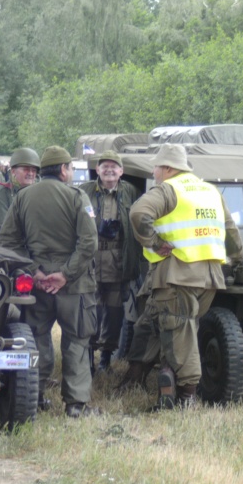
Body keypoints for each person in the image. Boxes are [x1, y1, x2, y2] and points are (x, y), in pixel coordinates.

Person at [129, 144, 243, 409]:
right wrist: (239, 256)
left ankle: (186, 398)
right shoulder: (209, 190)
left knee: (181, 335)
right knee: (182, 331)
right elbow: (230, 228)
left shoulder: (168, 189)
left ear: (168, 168)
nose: (154, 171)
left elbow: (138, 214)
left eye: (156, 167)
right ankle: (159, 383)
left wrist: (155, 241)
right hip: (209, 277)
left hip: (178, 275)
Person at [0, 146, 99, 418]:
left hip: (37, 286)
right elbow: (89, 242)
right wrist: (66, 274)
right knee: (77, 341)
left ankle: (36, 395)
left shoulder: (22, 198)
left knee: (37, 338)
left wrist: (35, 271)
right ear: (64, 169)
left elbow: (7, 242)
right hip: (75, 286)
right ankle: (76, 405)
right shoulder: (78, 197)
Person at [79, 150, 141, 373]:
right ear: (97, 170)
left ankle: (106, 356)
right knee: (90, 311)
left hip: (118, 263)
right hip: (91, 262)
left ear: (121, 171)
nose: (109, 169)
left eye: (114, 166)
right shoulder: (84, 191)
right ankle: (88, 357)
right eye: (104, 166)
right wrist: (97, 229)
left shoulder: (131, 192)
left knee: (114, 315)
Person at [0, 148, 40, 235]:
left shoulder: (39, 191)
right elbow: (2, 233)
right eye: (26, 169)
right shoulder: (0, 197)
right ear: (13, 171)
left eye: (34, 170)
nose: (31, 173)